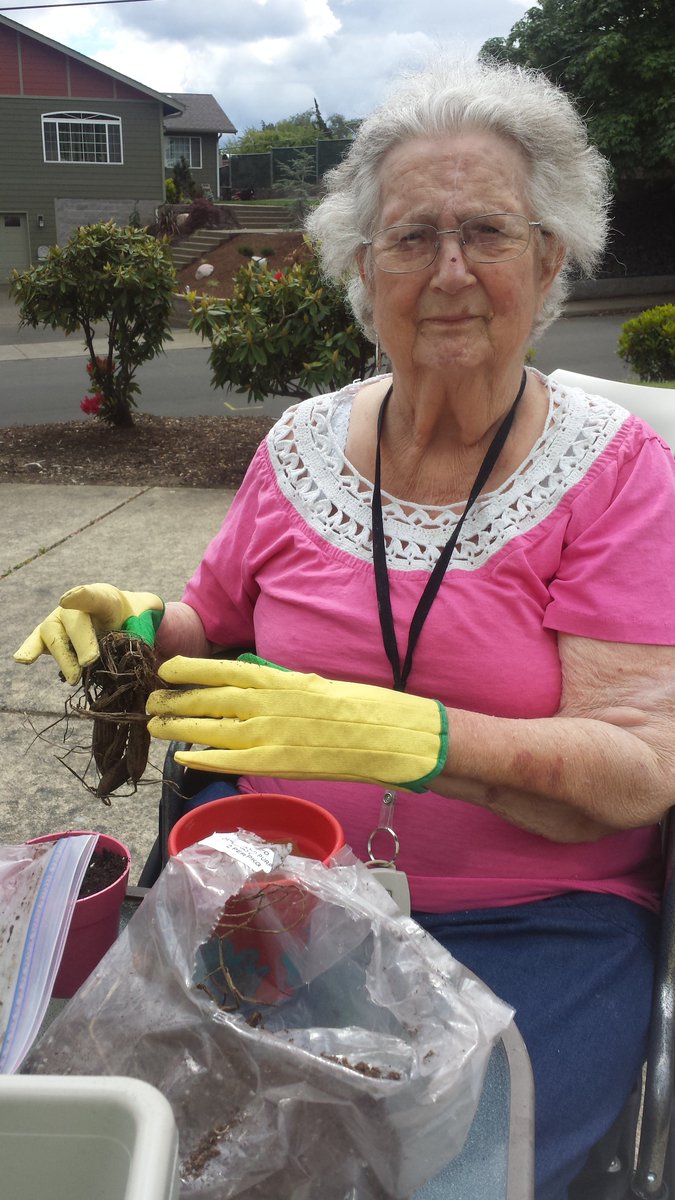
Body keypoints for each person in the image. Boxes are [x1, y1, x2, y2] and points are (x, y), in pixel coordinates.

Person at [14, 58, 675, 1200]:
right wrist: (125, 623)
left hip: (525, 934)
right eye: (413, 237)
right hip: (265, 902)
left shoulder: (620, 478)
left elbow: (639, 767)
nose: (452, 270)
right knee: (128, 1153)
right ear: (363, 269)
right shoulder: (301, 445)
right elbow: (207, 622)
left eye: (489, 231)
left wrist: (421, 742)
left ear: (552, 256)